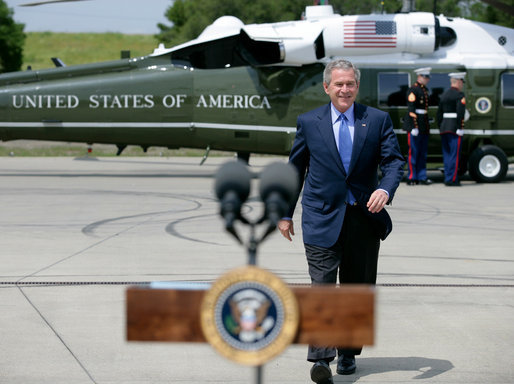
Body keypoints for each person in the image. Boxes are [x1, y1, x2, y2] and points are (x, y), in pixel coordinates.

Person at [278, 59, 405, 384]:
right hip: (321, 218)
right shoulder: (310, 122)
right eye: (339, 84)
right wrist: (284, 212)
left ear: (356, 86)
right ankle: (321, 358)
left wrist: (384, 190)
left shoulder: (376, 120)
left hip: (363, 219)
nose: (344, 89)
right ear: (327, 87)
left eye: (350, 84)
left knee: (356, 289)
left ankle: (347, 353)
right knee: (322, 289)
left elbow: (393, 162)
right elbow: (295, 170)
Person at [404, 67, 432, 185]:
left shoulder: (424, 90)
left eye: (427, 77)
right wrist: (415, 126)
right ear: (419, 77)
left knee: (422, 153)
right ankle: (412, 176)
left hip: (423, 125)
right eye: (425, 77)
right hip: (414, 125)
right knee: (414, 152)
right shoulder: (413, 90)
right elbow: (411, 109)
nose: (427, 79)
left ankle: (421, 176)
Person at [437, 72, 466, 186]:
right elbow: (460, 112)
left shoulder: (444, 94)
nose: (462, 84)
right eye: (462, 82)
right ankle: (452, 179)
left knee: (447, 155)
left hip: (444, 127)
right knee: (454, 155)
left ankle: (448, 177)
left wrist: (441, 126)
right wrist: (459, 127)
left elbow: (439, 113)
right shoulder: (459, 95)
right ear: (458, 82)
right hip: (454, 128)